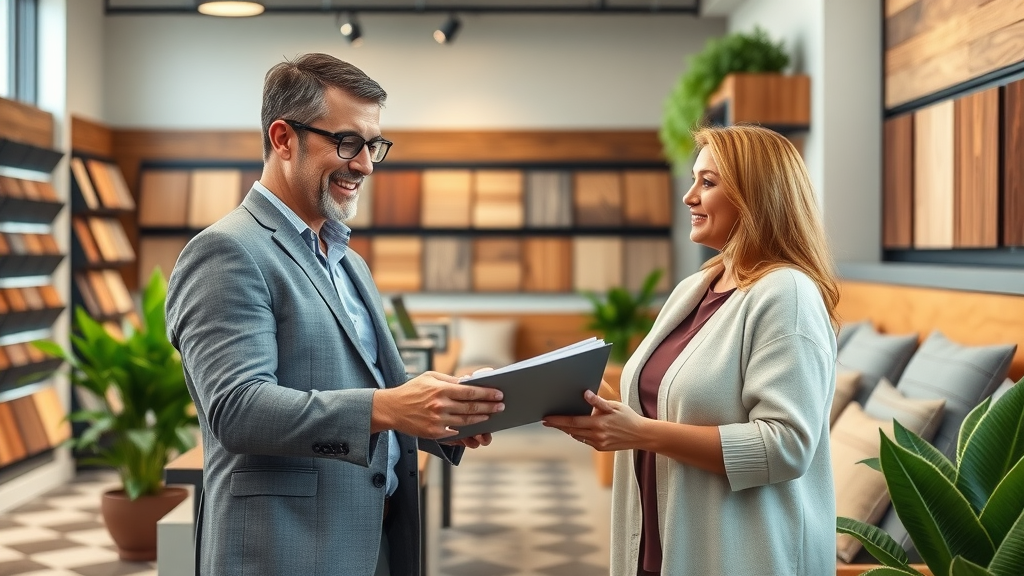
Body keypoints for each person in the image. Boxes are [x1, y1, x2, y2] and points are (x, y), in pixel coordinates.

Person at [165, 53, 504, 576]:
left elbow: (360, 386)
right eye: (347, 142)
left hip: (374, 539)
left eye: (374, 146)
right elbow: (237, 409)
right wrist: (389, 408)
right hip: (284, 552)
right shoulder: (226, 252)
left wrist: (442, 415)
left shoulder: (347, 259)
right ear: (283, 139)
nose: (366, 164)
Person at [544, 124, 840, 576]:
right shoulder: (697, 286)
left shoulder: (787, 293)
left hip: (739, 558)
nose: (689, 196)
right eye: (693, 179)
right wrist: (607, 405)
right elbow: (670, 402)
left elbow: (785, 446)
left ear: (755, 196)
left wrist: (640, 432)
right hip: (658, 550)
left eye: (708, 182)